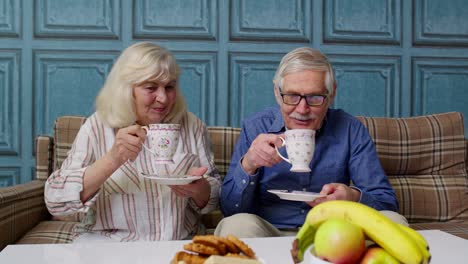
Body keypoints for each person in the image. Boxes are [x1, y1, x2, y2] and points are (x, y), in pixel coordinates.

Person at [215, 47, 407, 238]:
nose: (302, 109)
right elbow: (230, 209)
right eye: (292, 96)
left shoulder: (350, 129)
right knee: (236, 225)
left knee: (393, 221)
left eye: (314, 97)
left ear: (331, 95)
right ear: (276, 92)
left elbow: (387, 203)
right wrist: (249, 164)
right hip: (270, 232)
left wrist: (352, 197)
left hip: (334, 235)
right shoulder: (256, 127)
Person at [44, 42, 220, 242]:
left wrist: (200, 189)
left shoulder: (192, 125)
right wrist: (113, 159)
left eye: (169, 87)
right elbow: (55, 201)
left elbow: (214, 196)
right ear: (127, 90)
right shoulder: (97, 126)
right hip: (111, 246)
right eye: (151, 87)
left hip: (179, 243)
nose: (163, 98)